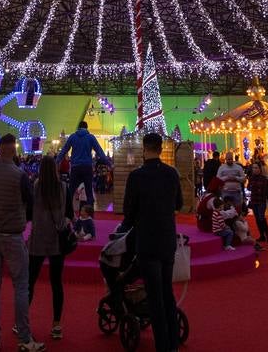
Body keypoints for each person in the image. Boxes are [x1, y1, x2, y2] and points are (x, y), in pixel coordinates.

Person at [0, 133, 43, 352]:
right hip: (12, 236)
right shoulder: (19, 175)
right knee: (21, 287)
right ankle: (24, 339)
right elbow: (31, 204)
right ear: (14, 149)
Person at [120, 133, 183, 352]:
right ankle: (173, 342)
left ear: (144, 149)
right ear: (161, 147)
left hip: (147, 241)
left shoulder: (136, 177)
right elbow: (180, 203)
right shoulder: (171, 174)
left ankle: (163, 346)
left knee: (155, 297)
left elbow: (128, 213)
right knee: (167, 293)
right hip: (167, 239)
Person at [26, 155, 69, 342]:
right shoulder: (63, 187)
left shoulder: (36, 186)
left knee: (30, 281)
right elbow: (68, 213)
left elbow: (29, 211)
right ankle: (56, 324)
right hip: (56, 239)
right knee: (56, 283)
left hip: (38, 238)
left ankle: (23, 320)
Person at [57, 121, 108, 219]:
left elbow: (64, 150)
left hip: (75, 167)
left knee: (71, 192)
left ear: (79, 128)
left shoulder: (72, 137)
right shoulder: (90, 137)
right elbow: (99, 151)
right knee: (89, 193)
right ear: (86, 128)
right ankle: (90, 216)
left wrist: (57, 161)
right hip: (87, 167)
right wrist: (108, 163)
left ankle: (67, 214)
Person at [245, 159, 268, 244]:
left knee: (261, 218)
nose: (255, 169)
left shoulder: (264, 179)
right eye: (254, 168)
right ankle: (262, 235)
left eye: (256, 168)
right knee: (257, 219)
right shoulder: (252, 178)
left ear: (260, 169)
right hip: (254, 200)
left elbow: (265, 191)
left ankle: (267, 235)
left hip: (261, 201)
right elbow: (249, 188)